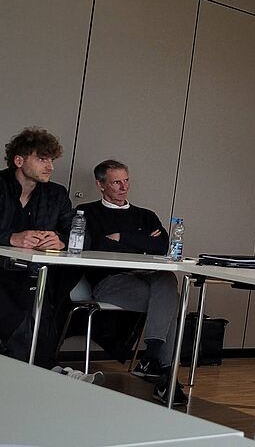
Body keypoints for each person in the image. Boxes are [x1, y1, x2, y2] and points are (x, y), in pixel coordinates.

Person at [78, 159, 187, 406]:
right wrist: (142, 243)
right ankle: (163, 375)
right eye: (116, 182)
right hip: (110, 280)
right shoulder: (87, 213)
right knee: (173, 302)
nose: (123, 187)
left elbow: (163, 246)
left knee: (167, 278)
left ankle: (152, 359)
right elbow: (96, 245)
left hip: (148, 276)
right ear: (100, 185)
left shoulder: (145, 215)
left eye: (126, 181)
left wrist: (122, 237)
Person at [0, 127, 81, 368]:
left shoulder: (56, 194)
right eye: (42, 159)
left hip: (36, 275)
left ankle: (45, 371)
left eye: (51, 160)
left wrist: (61, 240)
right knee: (22, 315)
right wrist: (10, 238)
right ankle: (49, 372)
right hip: (2, 273)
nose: (50, 167)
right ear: (19, 161)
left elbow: (79, 232)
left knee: (42, 312)